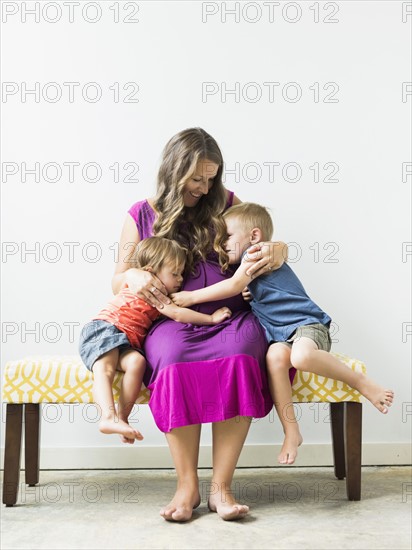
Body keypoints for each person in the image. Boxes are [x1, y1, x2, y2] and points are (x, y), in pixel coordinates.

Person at [111, 128, 287, 521]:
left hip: (232, 319)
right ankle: (186, 484)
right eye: (196, 178)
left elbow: (263, 237)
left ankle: (221, 487)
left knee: (240, 355)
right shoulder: (141, 213)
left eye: (211, 178)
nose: (205, 188)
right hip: (173, 320)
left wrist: (278, 247)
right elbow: (116, 278)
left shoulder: (226, 202)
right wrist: (133, 277)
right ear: (174, 170)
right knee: (172, 359)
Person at [171, 202, 395, 465]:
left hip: (306, 325)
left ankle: (360, 382)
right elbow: (248, 287)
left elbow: (233, 285)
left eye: (227, 237)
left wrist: (191, 296)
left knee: (300, 358)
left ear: (254, 236)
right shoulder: (252, 266)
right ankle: (291, 431)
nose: (221, 245)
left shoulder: (255, 254)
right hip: (280, 335)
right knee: (274, 359)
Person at [79, 236, 232, 444]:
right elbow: (178, 315)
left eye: (181, 274)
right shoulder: (148, 290)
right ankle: (107, 416)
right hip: (104, 329)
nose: (180, 280)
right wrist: (211, 319)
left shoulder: (163, 296)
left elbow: (178, 312)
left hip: (126, 341)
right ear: (150, 273)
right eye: (175, 273)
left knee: (137, 362)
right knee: (104, 369)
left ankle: (122, 418)